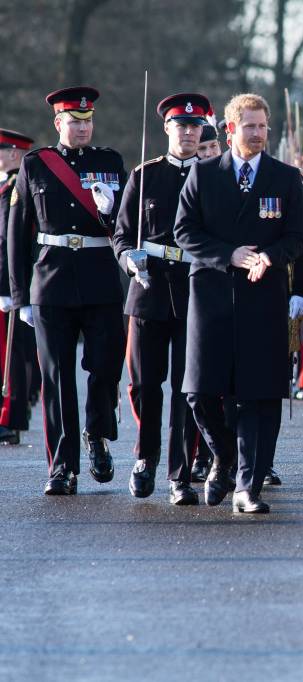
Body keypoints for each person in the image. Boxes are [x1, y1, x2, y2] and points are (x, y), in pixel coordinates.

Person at [173, 92, 303, 513]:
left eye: (263, 126)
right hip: (211, 296)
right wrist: (227, 254)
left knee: (259, 394)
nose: (258, 133)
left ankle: (249, 487)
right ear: (231, 129)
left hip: (262, 298)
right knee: (199, 391)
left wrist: (271, 256)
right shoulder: (204, 174)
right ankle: (225, 456)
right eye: (250, 126)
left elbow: (298, 236)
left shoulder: (286, 178)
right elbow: (184, 231)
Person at [7, 86, 127, 495]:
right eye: (75, 122)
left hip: (100, 279)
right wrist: (20, 295)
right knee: (57, 377)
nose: (83, 128)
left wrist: (111, 210)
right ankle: (62, 466)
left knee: (106, 366)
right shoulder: (36, 164)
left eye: (87, 121)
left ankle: (97, 432)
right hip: (52, 282)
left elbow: (126, 227)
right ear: (58, 123)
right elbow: (18, 233)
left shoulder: (110, 162)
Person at [112, 92, 214, 506]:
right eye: (181, 126)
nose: (188, 133)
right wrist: (128, 259)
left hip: (194, 287)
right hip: (149, 286)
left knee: (187, 388)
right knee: (143, 383)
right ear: (167, 128)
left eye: (195, 127)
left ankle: (180, 474)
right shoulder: (145, 175)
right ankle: (145, 456)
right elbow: (121, 234)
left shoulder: (212, 177)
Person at [0, 128, 35, 445]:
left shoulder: (15, 187)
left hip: (7, 283)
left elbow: (8, 240)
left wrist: (8, 287)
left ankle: (10, 416)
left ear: (13, 153)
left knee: (9, 355)